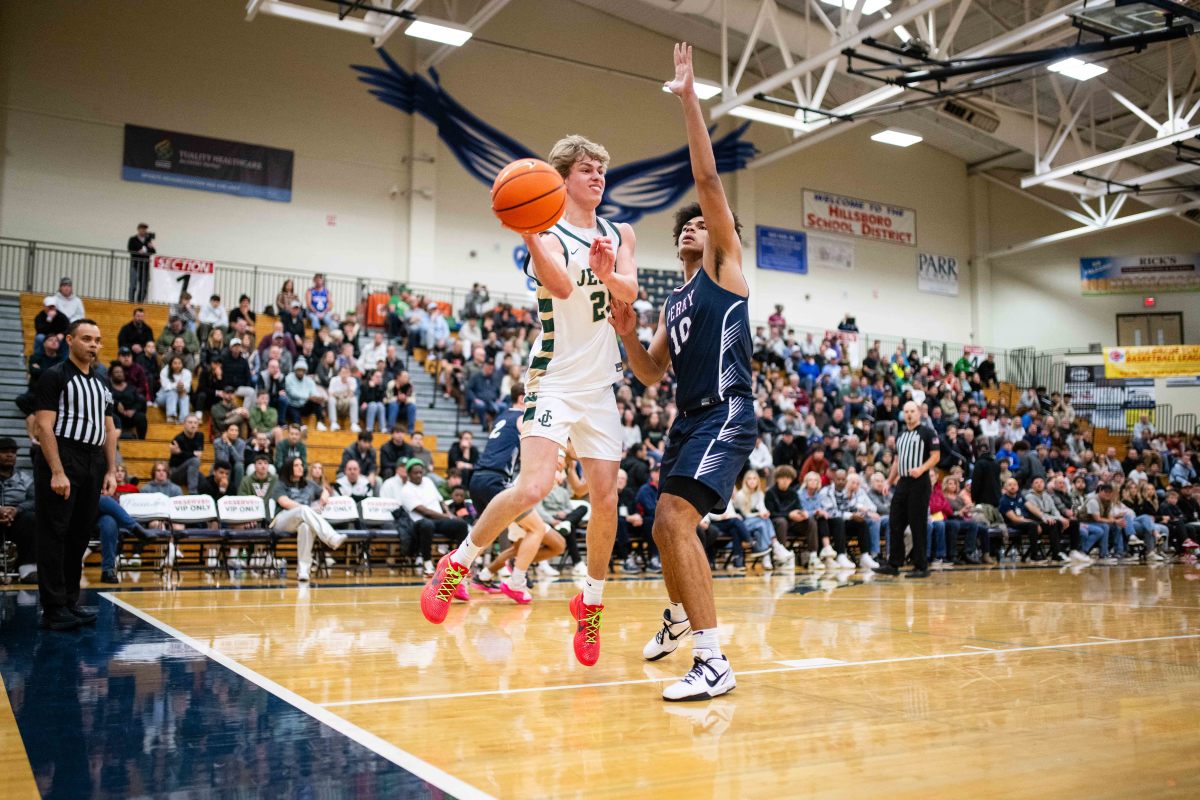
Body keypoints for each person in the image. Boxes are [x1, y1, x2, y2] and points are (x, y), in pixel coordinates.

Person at [421, 128, 637, 673]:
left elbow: (631, 293)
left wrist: (614, 277)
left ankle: (589, 604)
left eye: (601, 168)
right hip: (555, 380)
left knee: (606, 496)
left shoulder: (620, 232)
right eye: (587, 168)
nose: (598, 175)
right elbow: (562, 289)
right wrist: (535, 235)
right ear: (560, 179)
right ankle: (459, 563)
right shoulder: (543, 233)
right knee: (535, 485)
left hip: (600, 386)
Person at [602, 43, 755, 701]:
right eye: (687, 224)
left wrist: (692, 100)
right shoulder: (676, 298)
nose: (694, 224)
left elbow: (710, 182)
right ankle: (678, 617)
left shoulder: (726, 268)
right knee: (666, 525)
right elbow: (647, 373)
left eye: (703, 222)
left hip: (726, 412)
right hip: (687, 420)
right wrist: (626, 331)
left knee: (671, 520)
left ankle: (713, 659)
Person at [30, 319, 117, 630]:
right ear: (70, 340)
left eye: (97, 339)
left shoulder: (102, 382)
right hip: (63, 455)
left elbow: (109, 429)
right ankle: (53, 608)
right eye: (86, 338)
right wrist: (57, 471)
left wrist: (110, 469)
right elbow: (44, 427)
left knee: (80, 533)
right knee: (55, 532)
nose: (93, 344)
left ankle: (68, 601)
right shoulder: (54, 376)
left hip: (93, 460)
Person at [874, 401, 940, 579]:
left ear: (918, 413)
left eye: (912, 411)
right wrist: (889, 480)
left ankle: (921, 566)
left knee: (918, 524)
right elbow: (897, 461)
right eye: (906, 411)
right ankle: (894, 563)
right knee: (895, 522)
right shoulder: (901, 435)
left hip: (920, 482)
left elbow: (935, 457)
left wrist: (922, 469)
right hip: (902, 482)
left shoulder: (928, 432)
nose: (909, 414)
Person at [271, 456, 347, 582]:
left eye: (301, 464)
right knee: (304, 509)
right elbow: (285, 502)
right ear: (289, 468)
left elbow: (325, 491)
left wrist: (324, 497)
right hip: (282, 519)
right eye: (296, 465)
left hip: (303, 519)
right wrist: (308, 509)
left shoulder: (308, 484)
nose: (300, 467)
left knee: (305, 527)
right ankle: (331, 537)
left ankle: (303, 570)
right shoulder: (280, 484)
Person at [401, 459, 471, 576]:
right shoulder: (405, 490)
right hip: (419, 523)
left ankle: (458, 563)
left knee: (461, 525)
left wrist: (448, 513)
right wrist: (447, 517)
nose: (419, 475)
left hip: (439, 520)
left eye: (420, 472)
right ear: (408, 474)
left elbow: (441, 501)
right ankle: (427, 563)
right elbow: (425, 512)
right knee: (427, 524)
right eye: (415, 473)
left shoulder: (428, 481)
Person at [0, 437, 38, 584]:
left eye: (13, 452)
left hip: (17, 519)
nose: (10, 455)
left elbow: (34, 500)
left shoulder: (26, 478)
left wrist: (17, 510)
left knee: (32, 518)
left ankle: (27, 569)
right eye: (4, 452)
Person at [127, 224, 155, 302]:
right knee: (133, 285)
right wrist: (138, 252)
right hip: (135, 265)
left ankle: (140, 302)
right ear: (138, 229)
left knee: (144, 287)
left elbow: (153, 251)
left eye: (145, 229)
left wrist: (150, 246)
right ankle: (131, 302)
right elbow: (130, 249)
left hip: (145, 266)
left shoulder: (148, 240)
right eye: (142, 229)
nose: (144, 231)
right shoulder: (133, 239)